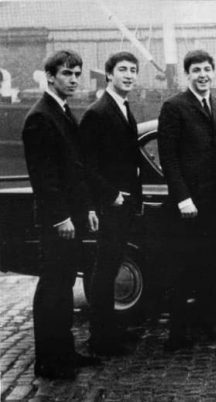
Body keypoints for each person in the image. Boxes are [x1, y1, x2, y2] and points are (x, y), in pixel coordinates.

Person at [22, 50, 101, 380]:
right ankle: (48, 360)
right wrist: (60, 218)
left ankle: (63, 352)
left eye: (77, 74)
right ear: (50, 76)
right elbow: (45, 178)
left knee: (65, 284)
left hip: (71, 216)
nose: (73, 79)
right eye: (67, 73)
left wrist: (88, 210)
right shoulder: (41, 117)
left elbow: (75, 171)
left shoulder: (62, 112)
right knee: (53, 287)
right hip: (58, 221)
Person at [157, 49, 216, 351]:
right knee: (182, 268)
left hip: (212, 202)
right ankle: (177, 337)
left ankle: (207, 329)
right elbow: (169, 157)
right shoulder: (174, 107)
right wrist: (182, 198)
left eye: (207, 69)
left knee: (210, 266)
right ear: (187, 75)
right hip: (187, 205)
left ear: (213, 72)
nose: (202, 75)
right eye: (196, 70)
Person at [79, 51, 142, 356]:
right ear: (109, 74)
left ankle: (109, 330)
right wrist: (110, 196)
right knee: (103, 270)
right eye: (123, 70)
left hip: (123, 204)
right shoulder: (98, 112)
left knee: (113, 265)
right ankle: (100, 338)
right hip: (110, 205)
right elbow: (86, 165)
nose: (129, 75)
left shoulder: (122, 108)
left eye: (133, 70)